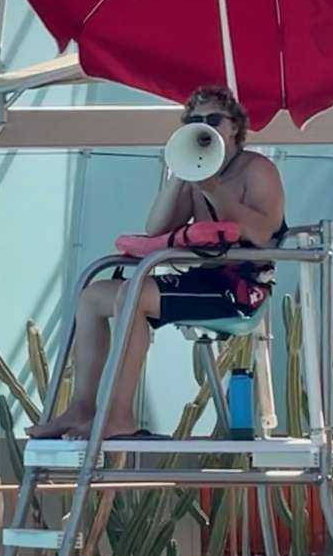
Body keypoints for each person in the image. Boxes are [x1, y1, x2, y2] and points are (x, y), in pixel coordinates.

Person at [28, 85, 286, 440]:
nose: (204, 126)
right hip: (204, 279)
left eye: (213, 120)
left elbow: (262, 231)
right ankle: (82, 407)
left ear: (235, 128)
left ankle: (119, 414)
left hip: (240, 291)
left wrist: (214, 188)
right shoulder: (196, 173)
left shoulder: (257, 170)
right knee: (93, 297)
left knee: (130, 296)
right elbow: (157, 227)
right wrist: (180, 172)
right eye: (194, 121)